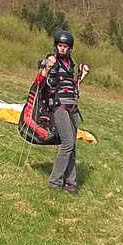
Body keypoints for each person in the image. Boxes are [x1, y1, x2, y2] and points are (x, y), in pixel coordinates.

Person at [36, 29, 89, 195]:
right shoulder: (50, 61)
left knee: (72, 146)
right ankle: (54, 182)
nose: (62, 48)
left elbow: (72, 86)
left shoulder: (70, 65)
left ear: (70, 48)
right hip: (59, 107)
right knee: (67, 144)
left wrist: (82, 76)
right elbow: (39, 81)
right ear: (55, 46)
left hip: (72, 108)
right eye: (60, 45)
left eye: (65, 46)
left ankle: (70, 182)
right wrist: (47, 68)